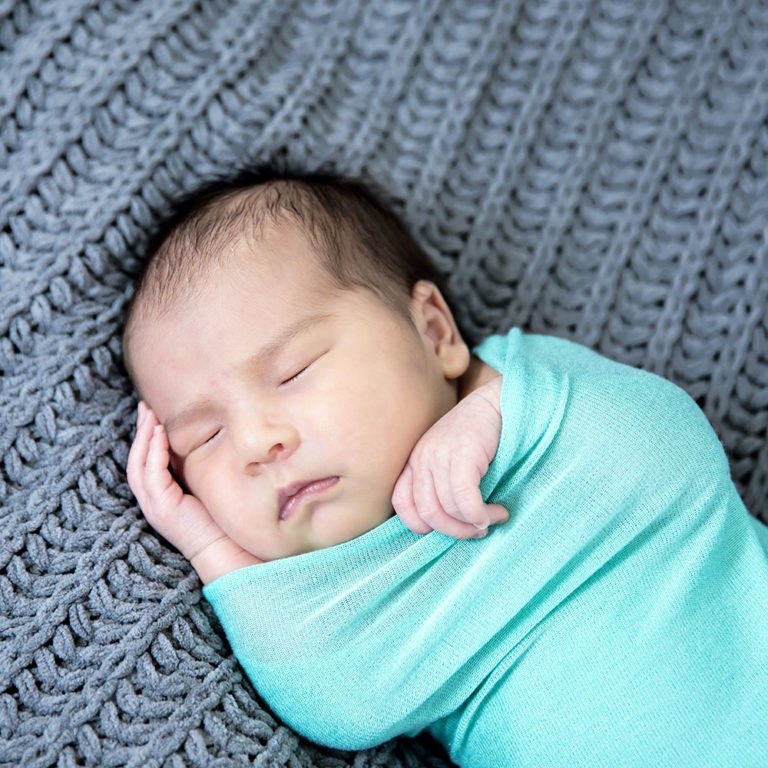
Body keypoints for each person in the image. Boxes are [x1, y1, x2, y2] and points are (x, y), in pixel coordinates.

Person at [123, 166, 768, 767]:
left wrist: (495, 411)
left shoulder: (532, 390)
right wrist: (208, 546)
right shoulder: (348, 594)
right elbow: (341, 701)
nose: (256, 443)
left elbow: (672, 450)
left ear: (433, 332)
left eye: (293, 371)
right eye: (204, 438)